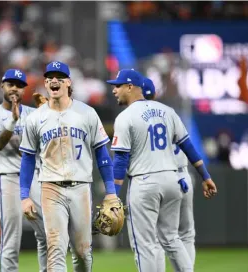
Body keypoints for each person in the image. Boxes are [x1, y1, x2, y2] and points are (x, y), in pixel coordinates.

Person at [108, 69, 217, 272]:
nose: (114, 90)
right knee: (171, 238)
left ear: (130, 87)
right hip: (172, 180)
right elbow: (188, 147)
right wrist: (205, 176)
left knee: (146, 245)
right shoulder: (167, 111)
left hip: (145, 182)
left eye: (118, 85)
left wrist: (113, 195)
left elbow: (121, 160)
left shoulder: (125, 117)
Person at [19, 61, 118, 271]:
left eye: (59, 77)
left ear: (68, 83)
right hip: (50, 187)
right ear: (45, 83)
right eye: (50, 77)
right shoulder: (36, 118)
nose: (54, 80)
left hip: (81, 187)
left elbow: (102, 153)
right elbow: (27, 158)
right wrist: (24, 196)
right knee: (55, 247)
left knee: (83, 252)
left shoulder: (87, 113)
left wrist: (110, 191)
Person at [0, 69, 47, 272]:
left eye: (19, 84)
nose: (14, 88)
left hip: (34, 176)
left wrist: (50, 115)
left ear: (24, 89)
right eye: (10, 84)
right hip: (6, 179)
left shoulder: (35, 114)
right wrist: (13, 121)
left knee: (48, 234)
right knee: (11, 240)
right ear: (2, 86)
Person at [142, 77, 197, 271]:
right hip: (183, 176)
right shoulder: (171, 114)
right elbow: (188, 145)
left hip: (160, 177)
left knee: (157, 237)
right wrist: (205, 175)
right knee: (186, 234)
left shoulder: (139, 118)